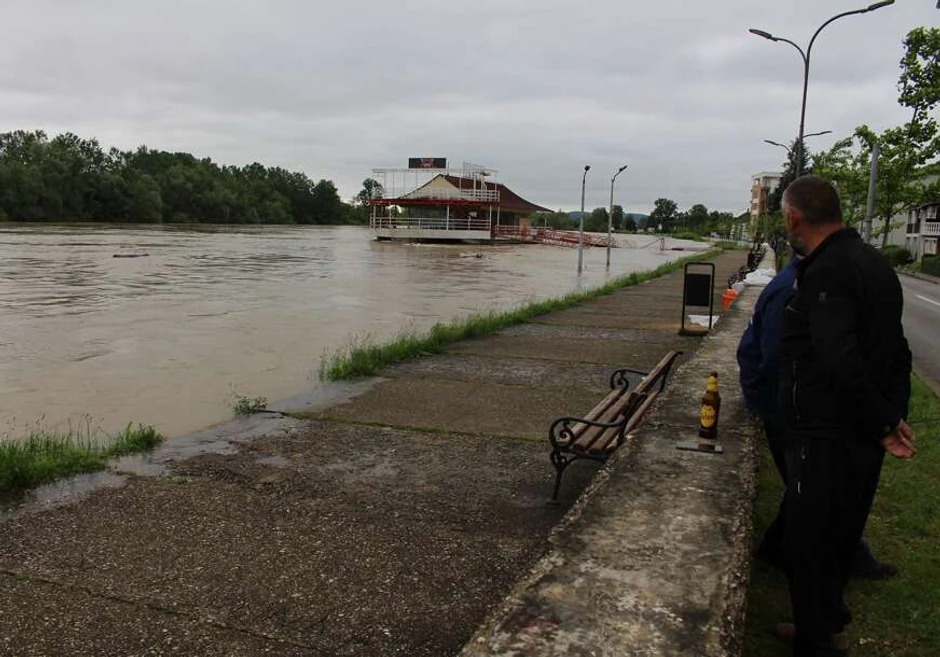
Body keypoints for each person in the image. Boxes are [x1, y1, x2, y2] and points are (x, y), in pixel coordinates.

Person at [776, 175, 914, 657]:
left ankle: (817, 641)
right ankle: (825, 623)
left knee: (810, 539)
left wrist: (884, 421)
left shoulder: (828, 270)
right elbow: (897, 351)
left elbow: (838, 356)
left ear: (794, 218)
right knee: (840, 530)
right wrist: (889, 417)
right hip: (858, 428)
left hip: (825, 429)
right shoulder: (873, 262)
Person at [736, 254, 897, 579]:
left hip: (781, 398)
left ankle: (777, 549)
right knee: (818, 484)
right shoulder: (792, 290)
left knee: (810, 483)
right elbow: (775, 362)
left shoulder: (799, 284)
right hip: (779, 403)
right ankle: (842, 559)